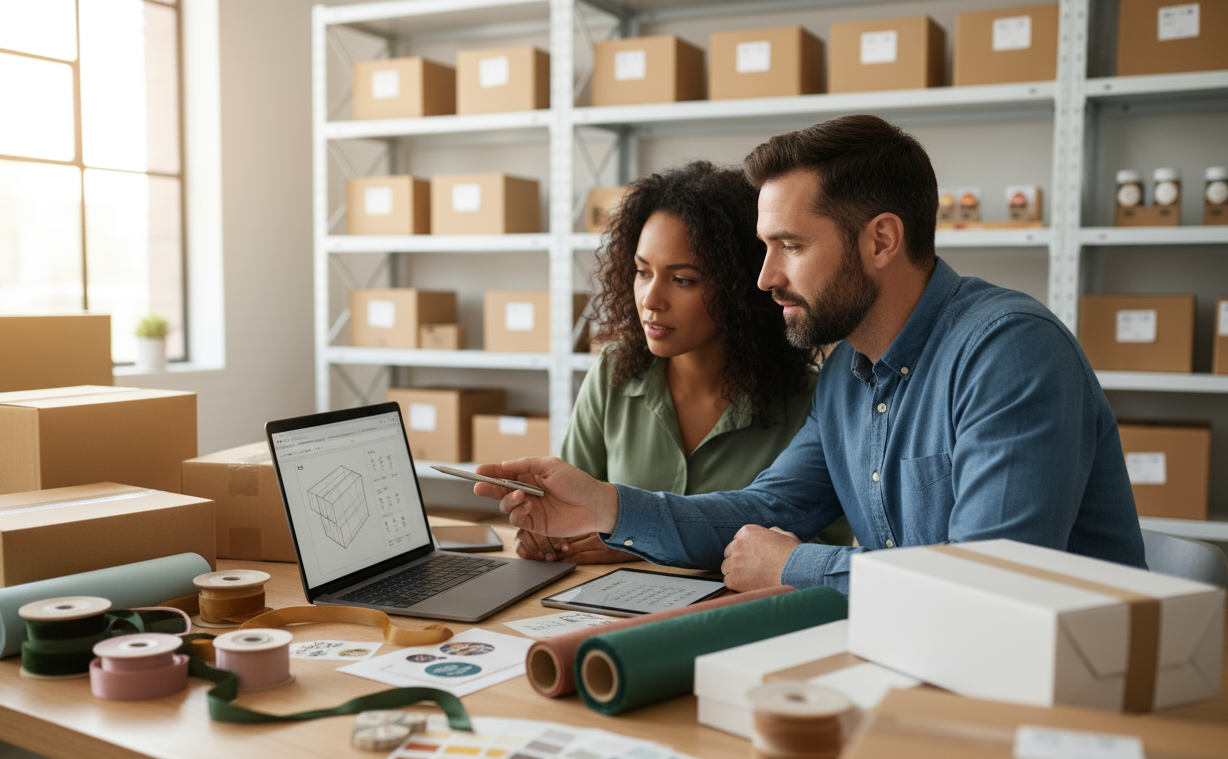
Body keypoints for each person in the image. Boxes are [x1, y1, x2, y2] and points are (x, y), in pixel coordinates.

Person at [476, 114, 1145, 595]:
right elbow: (762, 510)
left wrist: (793, 568)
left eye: (790, 247)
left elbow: (988, 586)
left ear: (881, 240)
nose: (765, 278)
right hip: (922, 662)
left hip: (1063, 700)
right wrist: (607, 507)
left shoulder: (1009, 353)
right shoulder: (849, 376)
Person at [515, 160, 851, 564]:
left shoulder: (812, 401)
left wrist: (639, 545)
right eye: (642, 272)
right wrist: (547, 532)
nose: (651, 300)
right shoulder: (613, 372)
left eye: (683, 280)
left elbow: (812, 556)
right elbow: (572, 505)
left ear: (739, 286)